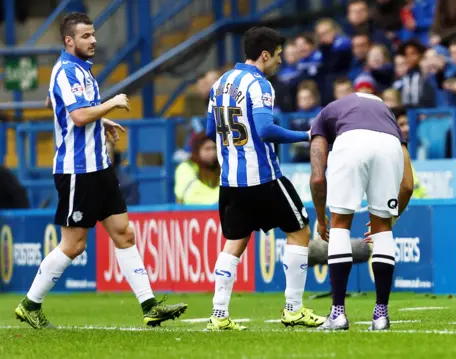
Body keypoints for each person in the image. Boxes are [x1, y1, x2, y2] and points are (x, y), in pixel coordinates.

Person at [14, 12, 187, 329]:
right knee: (74, 244)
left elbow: (63, 109)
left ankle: (149, 306)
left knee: (124, 233)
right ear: (69, 41)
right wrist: (111, 104)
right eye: (85, 36)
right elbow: (77, 116)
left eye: (93, 35)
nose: (93, 40)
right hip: (78, 170)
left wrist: (101, 121)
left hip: (100, 168)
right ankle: (30, 304)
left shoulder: (81, 71)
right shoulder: (66, 71)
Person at [205, 26, 325, 331]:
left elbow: (209, 131)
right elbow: (265, 129)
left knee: (234, 242)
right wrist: (307, 135)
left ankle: (219, 315)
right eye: (279, 56)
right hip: (263, 177)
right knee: (299, 230)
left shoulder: (219, 83)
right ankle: (293, 309)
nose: (281, 62)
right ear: (265, 54)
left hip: (230, 180)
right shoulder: (259, 85)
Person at [309, 92, 414, 331]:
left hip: (350, 145)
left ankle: (337, 314)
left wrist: (321, 220)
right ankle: (381, 316)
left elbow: (317, 179)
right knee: (382, 230)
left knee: (340, 225)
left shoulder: (325, 115)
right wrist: (392, 218)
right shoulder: (389, 119)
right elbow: (408, 184)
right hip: (388, 149)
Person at [174, 133, 221, 205]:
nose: (212, 153)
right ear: (197, 150)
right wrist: (219, 200)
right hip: (191, 214)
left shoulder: (220, 167)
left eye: (214, 148)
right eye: (207, 149)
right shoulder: (185, 167)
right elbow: (189, 197)